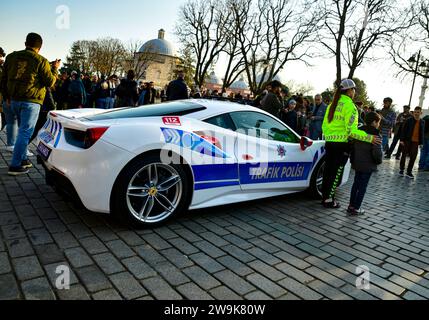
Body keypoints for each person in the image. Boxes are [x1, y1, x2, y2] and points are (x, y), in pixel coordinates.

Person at [0, 33, 59, 176]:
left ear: (25, 42)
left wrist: (7, 96)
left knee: (22, 131)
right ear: (40, 46)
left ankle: (24, 158)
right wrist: (55, 68)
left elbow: (3, 78)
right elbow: (50, 82)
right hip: (30, 101)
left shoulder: (11, 57)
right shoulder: (41, 61)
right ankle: (15, 165)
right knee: (25, 133)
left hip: (13, 100)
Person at [321, 79, 381, 209]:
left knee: (327, 171)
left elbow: (324, 126)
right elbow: (351, 132)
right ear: (349, 91)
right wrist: (369, 138)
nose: (354, 92)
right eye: (354, 89)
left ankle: (325, 197)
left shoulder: (332, 104)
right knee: (336, 173)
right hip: (341, 145)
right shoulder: (351, 107)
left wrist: (331, 136)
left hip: (329, 142)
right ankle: (329, 200)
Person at [348, 112, 383, 216]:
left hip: (357, 162)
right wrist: (379, 161)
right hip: (368, 165)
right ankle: (356, 208)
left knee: (355, 184)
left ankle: (350, 205)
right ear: (374, 122)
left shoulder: (358, 132)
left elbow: (352, 146)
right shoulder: (376, 135)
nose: (378, 124)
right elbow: (377, 153)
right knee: (362, 187)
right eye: (378, 122)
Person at [0, 46, 19, 152]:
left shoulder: (6, 68)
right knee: (11, 122)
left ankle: (11, 144)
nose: (2, 58)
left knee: (9, 122)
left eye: (2, 56)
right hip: (7, 99)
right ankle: (11, 144)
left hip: (6, 99)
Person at [399, 107, 425, 179]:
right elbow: (403, 130)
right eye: (415, 112)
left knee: (413, 157)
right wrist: (401, 140)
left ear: (421, 113)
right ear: (413, 113)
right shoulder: (408, 120)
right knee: (403, 155)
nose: (416, 113)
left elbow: (422, 133)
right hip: (407, 140)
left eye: (418, 112)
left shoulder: (422, 122)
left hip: (416, 142)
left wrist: (421, 143)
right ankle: (401, 169)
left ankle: (409, 172)